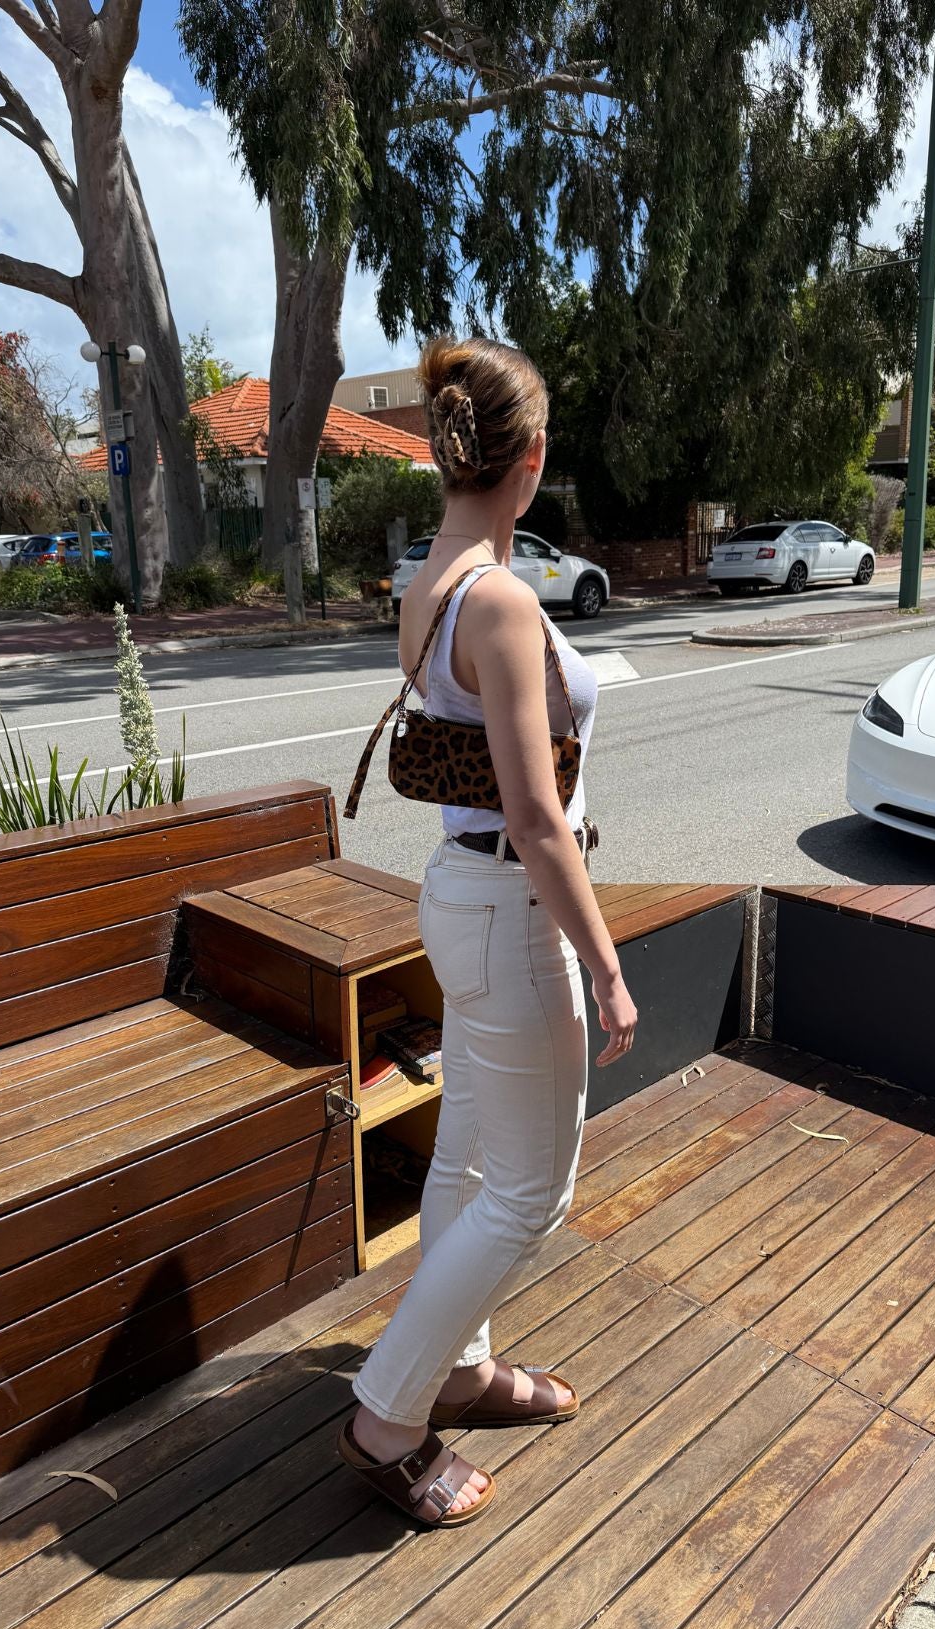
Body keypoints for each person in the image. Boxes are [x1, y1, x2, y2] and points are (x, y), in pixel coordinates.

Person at [336, 335, 638, 1528]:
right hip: (513, 911)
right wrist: (609, 971)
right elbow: (538, 816)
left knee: (467, 1159)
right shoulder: (504, 601)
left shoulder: (434, 579)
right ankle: (387, 1420)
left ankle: (458, 1368)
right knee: (532, 1193)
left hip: (458, 899)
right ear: (534, 458)